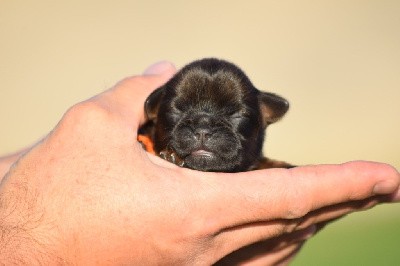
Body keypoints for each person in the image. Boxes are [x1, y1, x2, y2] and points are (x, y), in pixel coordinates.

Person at [0, 61, 398, 265]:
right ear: (155, 113)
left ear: (265, 116)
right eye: (181, 114)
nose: (205, 131)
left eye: (233, 117)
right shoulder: (133, 146)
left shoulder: (269, 170)